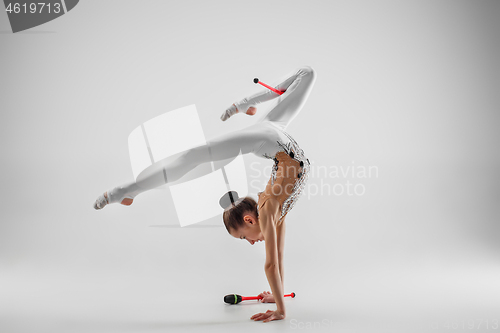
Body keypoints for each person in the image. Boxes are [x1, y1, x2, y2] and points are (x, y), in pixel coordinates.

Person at [93, 65, 317, 322]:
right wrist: (279, 307)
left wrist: (278, 303)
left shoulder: (272, 212)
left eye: (244, 239)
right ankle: (124, 191)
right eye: (245, 239)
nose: (252, 242)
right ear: (249, 220)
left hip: (273, 134)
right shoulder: (270, 211)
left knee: (308, 73)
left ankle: (244, 104)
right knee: (192, 156)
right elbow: (273, 264)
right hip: (269, 137)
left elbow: (275, 261)